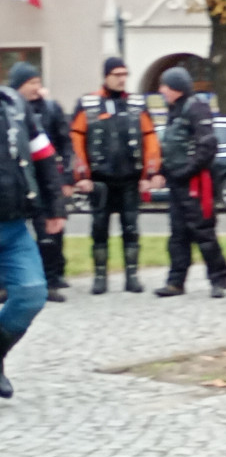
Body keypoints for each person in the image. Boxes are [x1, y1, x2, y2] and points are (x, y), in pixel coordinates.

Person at [70, 57, 161, 294]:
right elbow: (76, 141)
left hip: (130, 179)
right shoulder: (88, 104)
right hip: (99, 180)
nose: (122, 79)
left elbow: (150, 139)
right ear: (106, 76)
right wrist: (81, 175)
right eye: (117, 74)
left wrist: (150, 173)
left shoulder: (136, 104)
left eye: (125, 74)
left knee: (131, 228)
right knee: (99, 228)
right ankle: (100, 276)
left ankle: (132, 275)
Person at [1, 74, 67, 399]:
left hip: (13, 226)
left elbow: (44, 159)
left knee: (31, 293)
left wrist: (55, 207)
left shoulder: (15, 105)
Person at [152, 67, 226, 298]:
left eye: (164, 85)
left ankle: (219, 280)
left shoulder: (197, 108)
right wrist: (163, 172)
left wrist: (187, 171)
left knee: (203, 233)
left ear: (176, 87)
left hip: (196, 183)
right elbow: (171, 146)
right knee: (177, 235)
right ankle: (176, 282)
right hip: (177, 183)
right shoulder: (173, 110)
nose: (161, 90)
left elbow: (208, 145)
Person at [12, 64, 75, 302]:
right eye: (32, 83)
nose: (37, 87)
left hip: (44, 178)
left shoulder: (50, 108)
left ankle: (50, 279)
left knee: (49, 231)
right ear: (19, 86)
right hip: (18, 181)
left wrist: (66, 177)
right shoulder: (8, 110)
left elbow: (63, 143)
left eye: (39, 82)